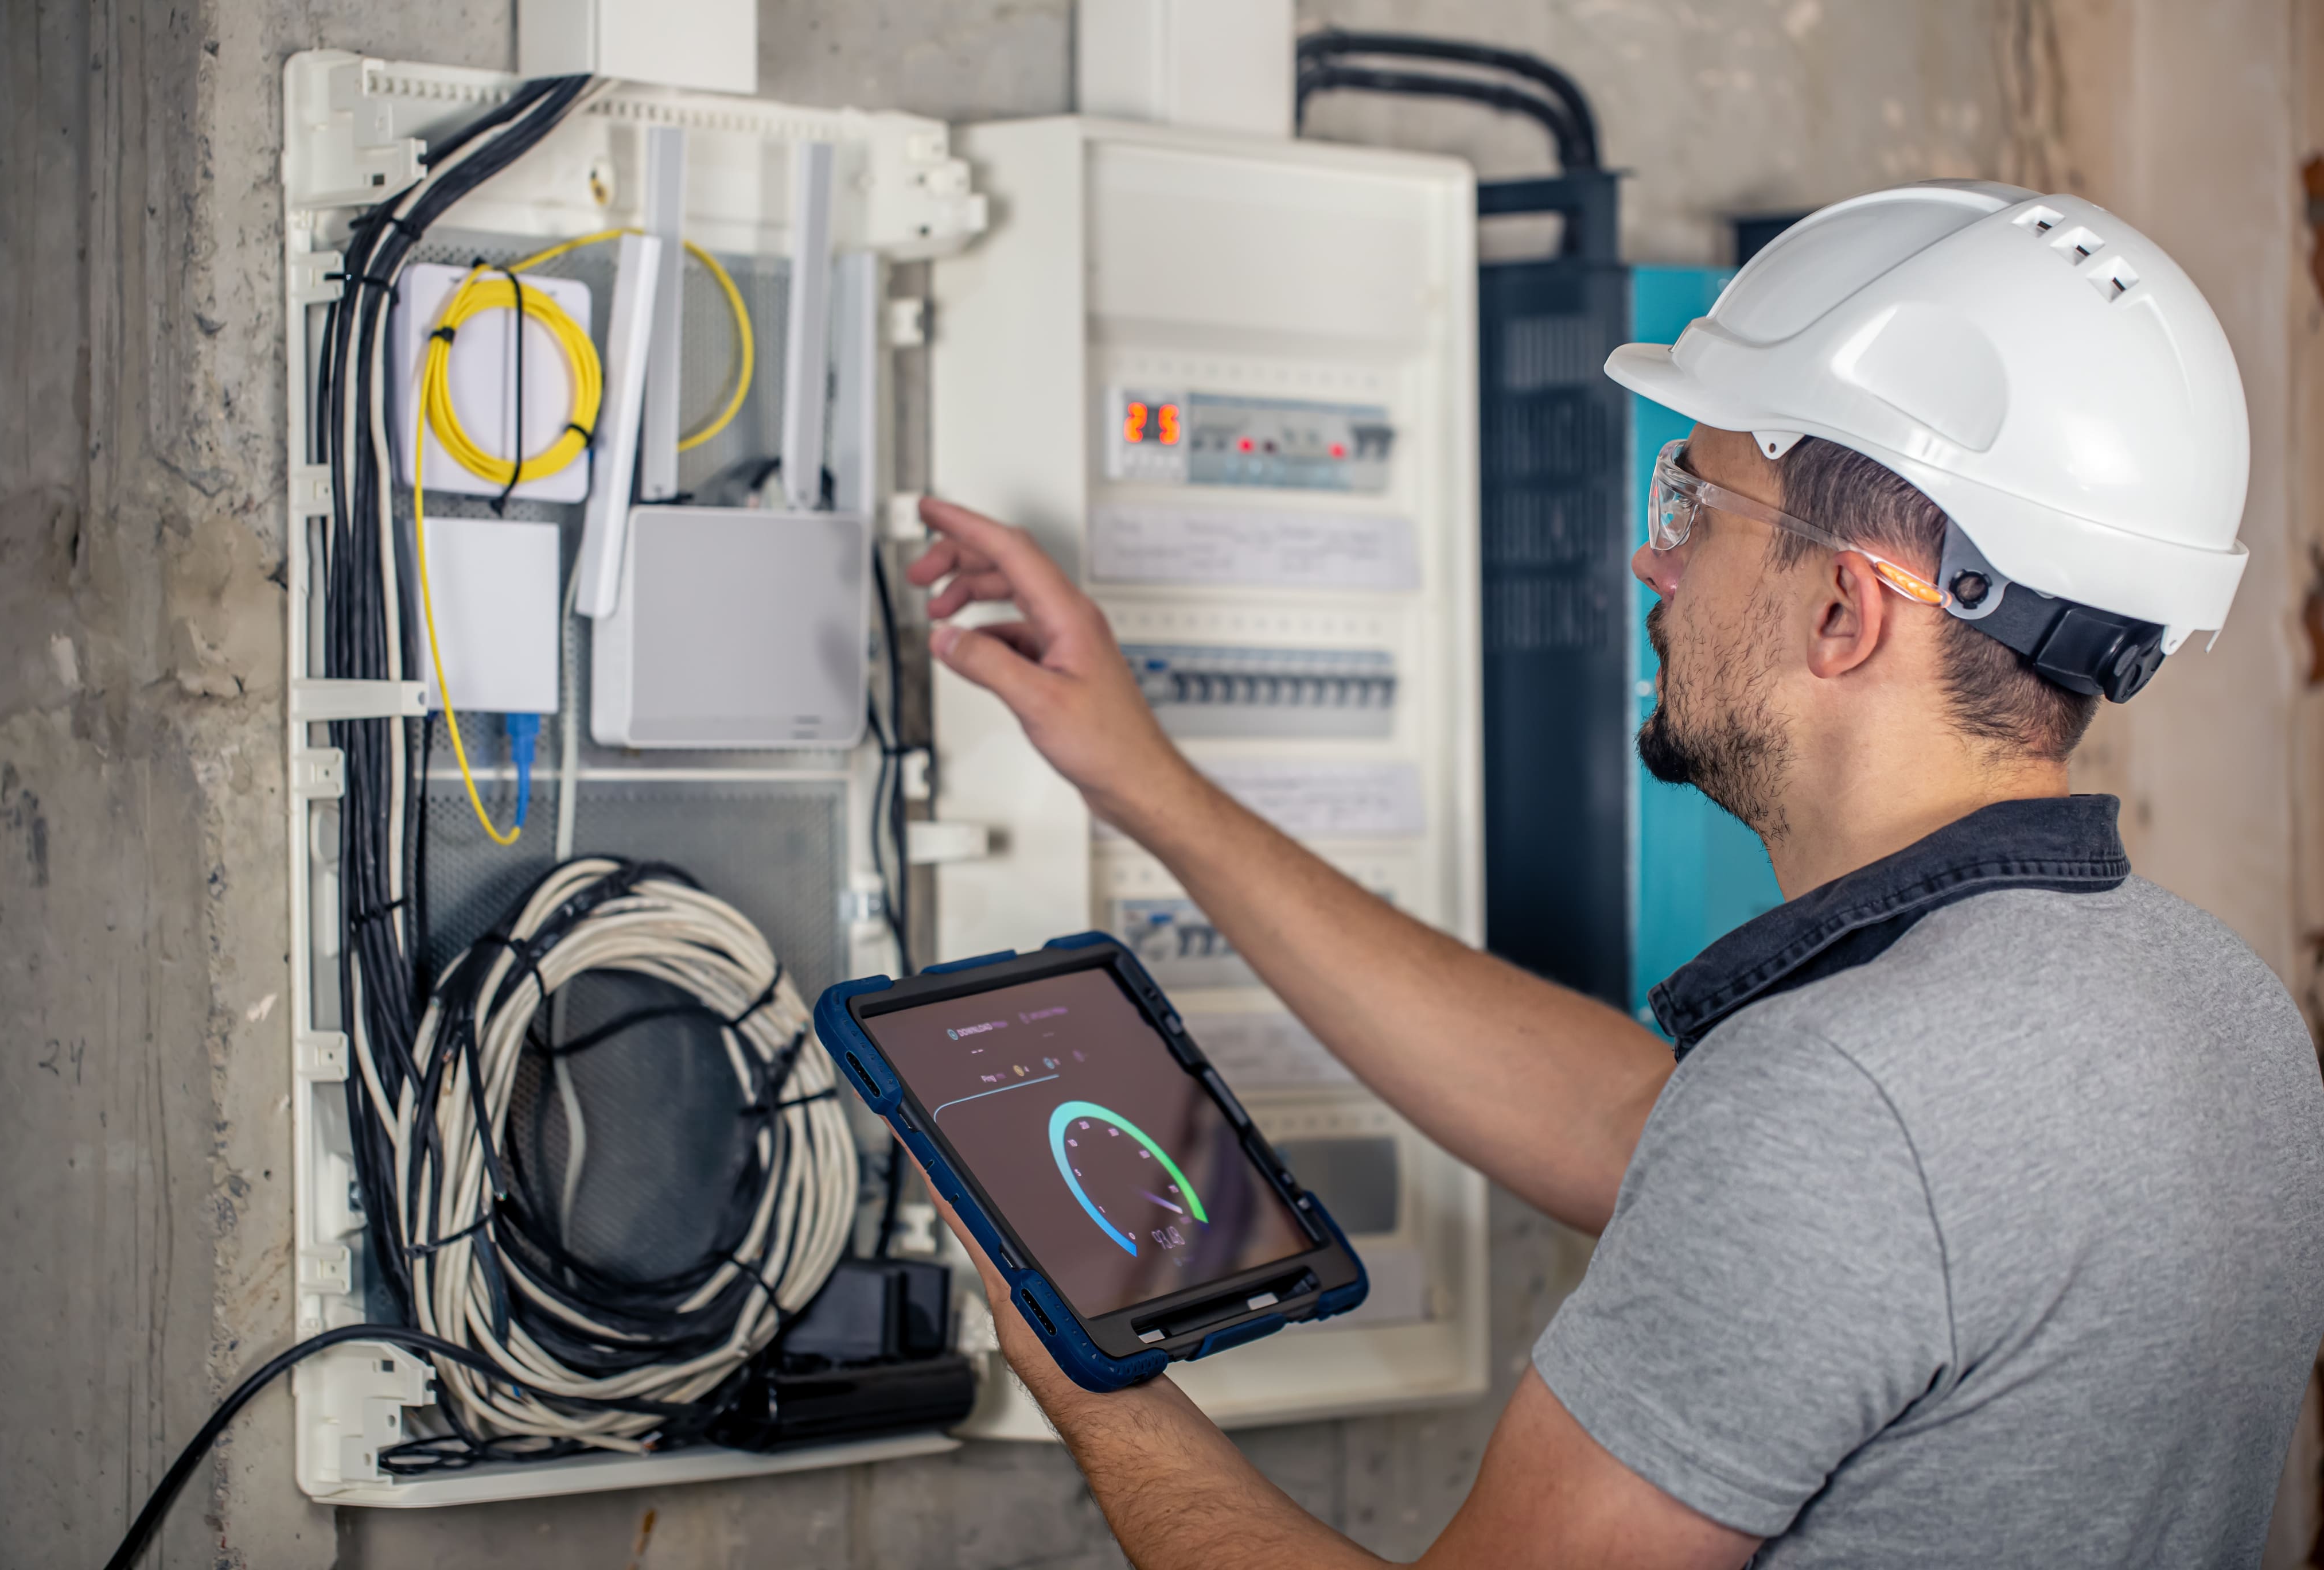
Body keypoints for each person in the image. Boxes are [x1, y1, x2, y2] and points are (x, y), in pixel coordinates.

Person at [901, 181, 2324, 1567]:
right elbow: (1649, 1130)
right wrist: (1146, 781)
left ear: (1843, 611)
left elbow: (1799, 1152)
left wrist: (1091, 1378)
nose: (1653, 558)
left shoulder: (1848, 1103)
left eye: (1697, 503)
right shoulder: (2217, 1010)